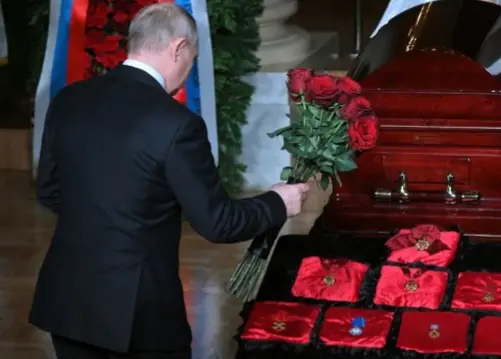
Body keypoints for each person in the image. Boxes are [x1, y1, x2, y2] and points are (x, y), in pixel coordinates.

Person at [29, 3, 310, 359]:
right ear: (178, 48)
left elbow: (50, 191)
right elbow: (218, 223)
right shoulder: (177, 125)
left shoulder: (69, 100)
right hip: (139, 314)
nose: (187, 71)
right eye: (190, 60)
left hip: (68, 303)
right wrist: (277, 202)